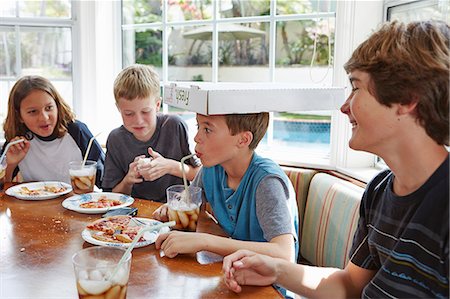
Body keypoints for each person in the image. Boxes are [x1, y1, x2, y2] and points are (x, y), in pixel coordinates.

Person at [222, 20, 449, 298]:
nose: (344, 107)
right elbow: (350, 284)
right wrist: (276, 270)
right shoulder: (379, 190)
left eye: (356, 88)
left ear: (407, 99)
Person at [152, 112, 299, 296]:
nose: (197, 137)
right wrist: (172, 208)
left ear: (243, 139)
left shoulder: (267, 182)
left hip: (268, 290)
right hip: (230, 279)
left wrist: (205, 241)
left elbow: (284, 255)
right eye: (198, 127)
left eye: (207, 129)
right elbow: (187, 201)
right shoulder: (211, 169)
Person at [102, 64, 201, 202]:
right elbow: (110, 196)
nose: (138, 121)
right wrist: (128, 180)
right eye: (129, 113)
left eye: (145, 112)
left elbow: (200, 175)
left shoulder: (174, 126)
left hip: (174, 208)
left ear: (157, 105)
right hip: (134, 215)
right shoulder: (116, 139)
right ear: (119, 109)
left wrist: (170, 166)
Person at [2, 75, 105, 187]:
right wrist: (11, 165)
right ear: (19, 116)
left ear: (57, 106)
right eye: (33, 111)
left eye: (49, 108)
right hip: (35, 203)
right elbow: (4, 191)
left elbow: (105, 179)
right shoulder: (17, 141)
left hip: (77, 202)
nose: (44, 118)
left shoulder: (77, 131)